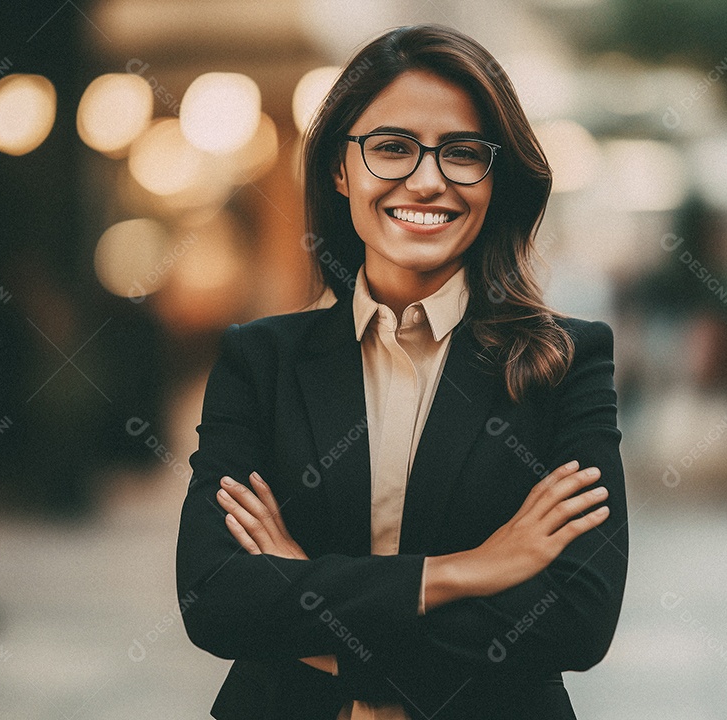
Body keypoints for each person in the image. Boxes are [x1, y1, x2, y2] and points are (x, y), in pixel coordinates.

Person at [176, 23, 628, 720]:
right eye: (391, 148)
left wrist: (304, 602)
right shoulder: (258, 362)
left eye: (463, 153)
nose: (427, 180)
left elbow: (574, 620)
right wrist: (461, 573)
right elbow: (215, 597)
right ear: (339, 167)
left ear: (496, 174)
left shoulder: (566, 363)